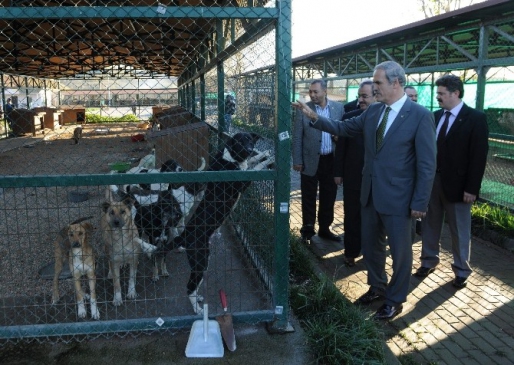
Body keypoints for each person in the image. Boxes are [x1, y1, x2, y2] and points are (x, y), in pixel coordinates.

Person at [292, 61, 436, 320]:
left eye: (378, 82)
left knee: (401, 253)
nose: (374, 87)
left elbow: (427, 165)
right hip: (370, 194)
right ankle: (377, 287)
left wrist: (420, 202)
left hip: (400, 199)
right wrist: (313, 117)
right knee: (371, 247)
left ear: (395, 83)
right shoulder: (374, 112)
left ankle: (395, 299)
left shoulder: (419, 115)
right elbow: (344, 128)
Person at [414, 75, 489, 289]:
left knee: (460, 229)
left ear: (455, 93)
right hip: (431, 182)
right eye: (437, 94)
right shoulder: (434, 117)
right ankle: (428, 261)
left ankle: (461, 270)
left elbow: (478, 156)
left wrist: (471, 188)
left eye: (441, 94)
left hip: (459, 187)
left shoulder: (475, 118)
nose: (437, 97)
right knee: (429, 225)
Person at [292, 79, 344, 243]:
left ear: (325, 91)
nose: (312, 95)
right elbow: (297, 137)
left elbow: (343, 132)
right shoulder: (303, 110)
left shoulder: (338, 108)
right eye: (310, 92)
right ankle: (307, 230)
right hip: (310, 160)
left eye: (316, 91)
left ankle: (324, 229)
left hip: (331, 160)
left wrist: (338, 139)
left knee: (329, 196)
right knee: (308, 196)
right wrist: (298, 160)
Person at [333, 80, 374, 267]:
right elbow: (341, 148)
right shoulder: (350, 117)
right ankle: (350, 252)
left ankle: (370, 252)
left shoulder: (386, 119)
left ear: (376, 96)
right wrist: (338, 172)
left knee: (372, 219)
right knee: (352, 216)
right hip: (352, 176)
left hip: (375, 180)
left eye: (365, 96)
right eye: (359, 95)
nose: (361, 100)